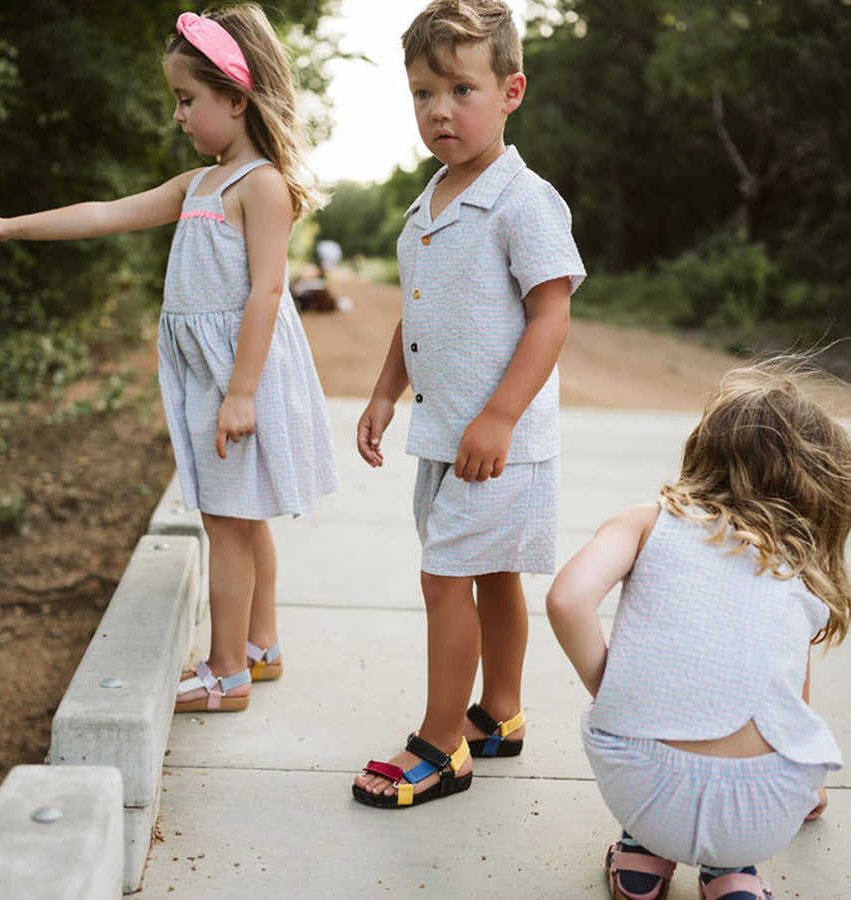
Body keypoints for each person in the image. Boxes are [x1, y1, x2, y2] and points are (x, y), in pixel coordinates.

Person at [0, 5, 339, 713]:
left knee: (226, 522)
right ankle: (262, 646)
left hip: (239, 375)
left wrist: (242, 393)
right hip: (214, 374)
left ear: (235, 96)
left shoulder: (260, 185)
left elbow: (266, 292)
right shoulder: (198, 184)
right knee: (240, 516)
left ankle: (226, 675)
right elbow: (104, 212)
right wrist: (10, 226)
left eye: (187, 100)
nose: (178, 116)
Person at [352, 0, 585, 808]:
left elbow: (552, 316)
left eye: (460, 89)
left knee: (446, 579)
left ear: (511, 90)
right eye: (422, 93)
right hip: (446, 435)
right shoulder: (430, 201)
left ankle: (442, 743)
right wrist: (386, 393)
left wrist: (500, 416)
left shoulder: (525, 201)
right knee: (486, 578)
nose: (439, 110)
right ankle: (502, 712)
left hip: (500, 440)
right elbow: (417, 312)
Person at [546, 359, 851, 899]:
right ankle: (733, 874)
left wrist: (613, 691)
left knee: (625, 728)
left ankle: (643, 853)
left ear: (703, 448)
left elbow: (568, 600)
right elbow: (786, 693)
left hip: (642, 787)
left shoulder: (646, 521)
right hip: (767, 809)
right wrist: (808, 788)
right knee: (747, 793)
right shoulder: (798, 561)